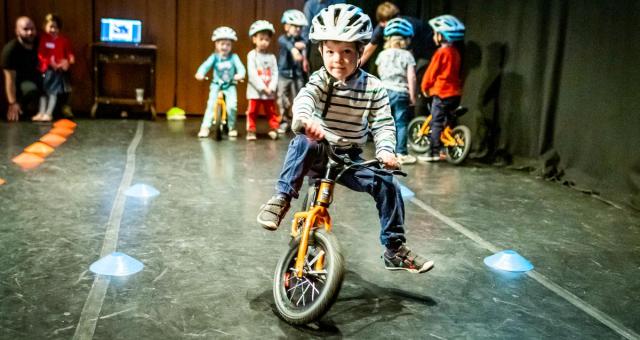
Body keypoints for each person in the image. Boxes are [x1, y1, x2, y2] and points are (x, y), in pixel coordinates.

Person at [257, 4, 434, 274]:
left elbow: (384, 123)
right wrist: (306, 120)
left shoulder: (373, 87)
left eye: (346, 52)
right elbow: (304, 99)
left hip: (348, 157)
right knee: (305, 141)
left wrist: (386, 151)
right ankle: (281, 199)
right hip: (319, 150)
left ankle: (394, 248)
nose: (337, 60)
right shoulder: (321, 79)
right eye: (330, 52)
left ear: (361, 52)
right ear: (321, 51)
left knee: (387, 183)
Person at [419, 15, 465, 162]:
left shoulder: (441, 53)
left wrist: (424, 87)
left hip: (442, 92)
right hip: (455, 93)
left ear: (441, 35)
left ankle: (433, 153)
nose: (434, 36)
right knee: (447, 120)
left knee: (436, 122)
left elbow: (431, 72)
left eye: (435, 33)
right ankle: (444, 147)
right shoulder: (455, 52)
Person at [375, 18, 417, 165]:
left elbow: (379, 73)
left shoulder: (382, 55)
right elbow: (411, 77)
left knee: (385, 122)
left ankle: (384, 151)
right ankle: (401, 153)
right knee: (401, 123)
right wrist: (412, 95)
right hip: (401, 92)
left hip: (385, 92)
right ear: (406, 40)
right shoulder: (407, 56)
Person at [195, 26, 246, 138]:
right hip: (216, 85)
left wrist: (240, 74)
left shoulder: (234, 57)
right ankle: (205, 127)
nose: (225, 47)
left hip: (230, 85)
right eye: (222, 44)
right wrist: (200, 73)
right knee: (211, 104)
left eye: (228, 44)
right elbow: (205, 66)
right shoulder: (214, 57)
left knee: (232, 106)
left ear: (231, 46)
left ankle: (232, 127)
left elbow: (241, 68)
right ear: (216, 44)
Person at [34, 13, 75, 122]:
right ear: (45, 27)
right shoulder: (43, 39)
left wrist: (69, 61)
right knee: (42, 93)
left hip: (57, 71)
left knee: (52, 92)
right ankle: (41, 112)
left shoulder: (64, 40)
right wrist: (48, 62)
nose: (53, 29)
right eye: (50, 26)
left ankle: (48, 113)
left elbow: (69, 54)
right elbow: (41, 54)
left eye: (55, 27)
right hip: (45, 70)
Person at [1, 16, 41, 122]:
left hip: (39, 79)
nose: (30, 32)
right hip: (21, 86)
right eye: (25, 29)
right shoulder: (10, 50)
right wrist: (12, 103)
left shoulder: (39, 43)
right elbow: (10, 79)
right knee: (29, 88)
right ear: (17, 31)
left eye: (32, 29)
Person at [245, 20, 280, 141]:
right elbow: (252, 74)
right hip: (255, 91)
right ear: (254, 39)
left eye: (267, 39)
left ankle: (274, 128)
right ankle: (251, 130)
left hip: (269, 91)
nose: (264, 42)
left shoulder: (272, 57)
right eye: (261, 39)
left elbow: (275, 73)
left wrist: (272, 87)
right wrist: (262, 87)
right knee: (252, 111)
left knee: (271, 111)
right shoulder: (251, 55)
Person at [276, 9, 308, 134]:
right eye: (295, 26)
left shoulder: (302, 40)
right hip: (284, 74)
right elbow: (285, 43)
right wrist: (294, 49)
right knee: (282, 99)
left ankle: (297, 122)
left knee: (299, 99)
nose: (298, 29)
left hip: (297, 75)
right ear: (286, 26)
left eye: (300, 27)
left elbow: (305, 44)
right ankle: (284, 121)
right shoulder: (283, 39)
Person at [302, 0, 345, 73]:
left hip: (338, 42)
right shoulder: (310, 4)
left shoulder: (339, 1)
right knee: (317, 77)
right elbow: (306, 31)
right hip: (317, 45)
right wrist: (304, 57)